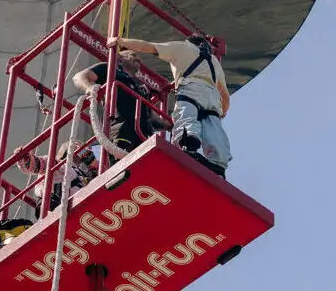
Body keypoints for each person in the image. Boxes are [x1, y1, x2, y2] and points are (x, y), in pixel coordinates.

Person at [106, 34, 231, 177]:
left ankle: (188, 146)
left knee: (186, 116)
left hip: (191, 87)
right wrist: (222, 112)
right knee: (212, 127)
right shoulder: (214, 62)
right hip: (213, 97)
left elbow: (149, 46)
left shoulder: (184, 47)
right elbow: (225, 96)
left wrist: (120, 41)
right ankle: (218, 165)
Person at [72, 50, 170, 153]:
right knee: (122, 162)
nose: (139, 59)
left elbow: (151, 117)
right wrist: (89, 87)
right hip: (122, 128)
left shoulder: (139, 87)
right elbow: (79, 77)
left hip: (142, 136)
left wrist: (169, 125)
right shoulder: (110, 69)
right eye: (133, 55)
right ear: (120, 58)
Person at [13, 139, 99, 216]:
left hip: (86, 199)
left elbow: (94, 170)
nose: (78, 155)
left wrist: (86, 155)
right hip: (75, 207)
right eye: (76, 152)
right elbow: (39, 164)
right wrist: (25, 159)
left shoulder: (74, 169)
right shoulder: (53, 168)